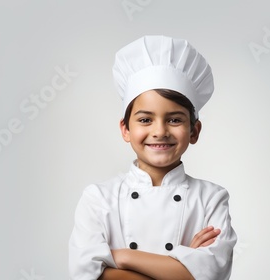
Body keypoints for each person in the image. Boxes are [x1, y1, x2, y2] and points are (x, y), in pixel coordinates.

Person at [68, 35, 237, 280]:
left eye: (175, 119)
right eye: (145, 119)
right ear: (125, 129)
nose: (159, 131)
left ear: (194, 131)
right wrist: (182, 265)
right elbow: (84, 273)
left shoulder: (211, 198)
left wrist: (122, 257)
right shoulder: (98, 199)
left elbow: (212, 274)